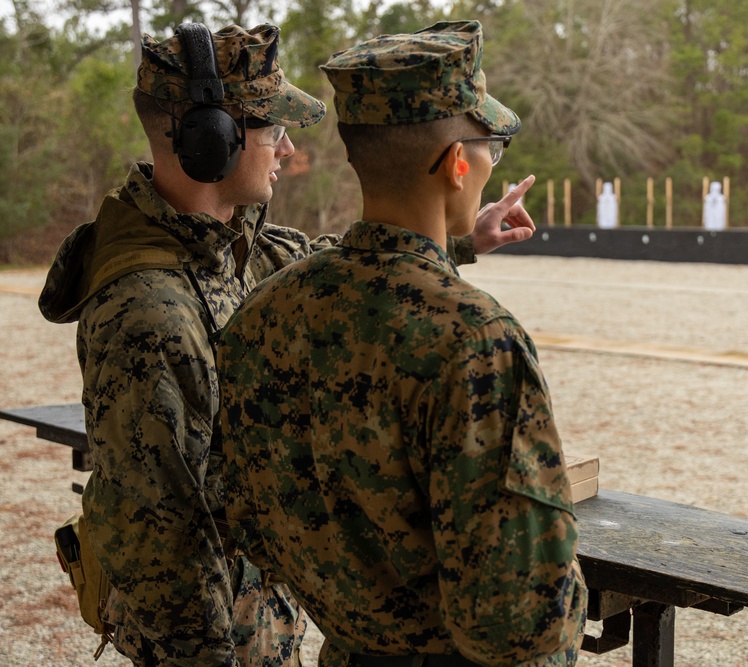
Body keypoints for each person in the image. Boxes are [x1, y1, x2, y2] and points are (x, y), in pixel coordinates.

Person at [38, 21, 535, 667]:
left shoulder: (233, 243)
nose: (287, 147)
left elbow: (331, 268)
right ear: (211, 142)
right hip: (215, 632)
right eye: (273, 129)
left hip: (259, 610)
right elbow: (157, 531)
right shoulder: (150, 311)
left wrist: (462, 237)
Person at [216, 19, 588, 667]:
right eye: (491, 152)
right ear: (457, 163)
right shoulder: (477, 340)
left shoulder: (265, 311)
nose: (492, 166)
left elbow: (243, 516)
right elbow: (520, 618)